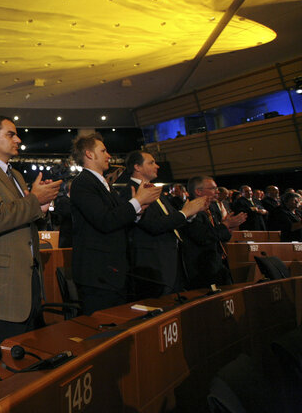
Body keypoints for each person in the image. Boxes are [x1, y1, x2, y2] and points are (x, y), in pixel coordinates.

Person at [0, 116, 61, 346]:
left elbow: (22, 218)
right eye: (11, 134)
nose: (18, 139)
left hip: (26, 283)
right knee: (1, 369)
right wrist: (35, 200)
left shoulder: (15, 175)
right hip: (0, 288)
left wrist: (41, 208)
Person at [70, 134, 160, 314]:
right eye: (103, 151)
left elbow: (117, 215)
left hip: (112, 272)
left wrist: (138, 210)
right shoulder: (83, 183)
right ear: (89, 154)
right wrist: (137, 201)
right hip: (97, 274)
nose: (109, 155)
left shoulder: (105, 185)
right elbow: (104, 220)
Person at [117, 151, 207, 299]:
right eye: (151, 162)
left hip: (171, 258)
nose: (157, 166)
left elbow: (171, 217)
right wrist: (184, 213)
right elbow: (152, 224)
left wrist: (191, 213)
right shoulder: (130, 192)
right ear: (137, 167)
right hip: (153, 262)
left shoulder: (154, 190)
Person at [181, 176, 246, 289]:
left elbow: (220, 236)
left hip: (218, 262)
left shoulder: (212, 208)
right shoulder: (190, 210)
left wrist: (229, 227)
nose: (217, 192)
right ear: (199, 191)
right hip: (202, 267)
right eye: (213, 188)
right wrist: (225, 225)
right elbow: (203, 237)